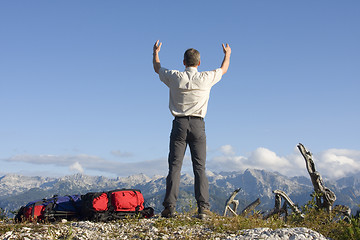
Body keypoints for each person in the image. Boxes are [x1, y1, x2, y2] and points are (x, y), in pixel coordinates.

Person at [153, 40, 231, 219]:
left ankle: (169, 208)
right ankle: (203, 208)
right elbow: (223, 69)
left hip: (179, 124)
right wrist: (227, 54)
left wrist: (155, 52)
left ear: (183, 62)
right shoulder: (206, 78)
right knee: (200, 168)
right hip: (198, 125)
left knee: (174, 167)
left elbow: (157, 68)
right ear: (199, 63)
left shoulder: (174, 76)